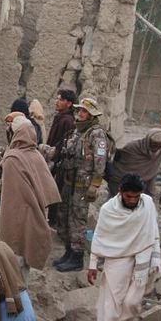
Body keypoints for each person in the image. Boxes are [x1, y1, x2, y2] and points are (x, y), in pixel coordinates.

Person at [87, 173, 161, 321]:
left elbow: (153, 231)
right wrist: (93, 265)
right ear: (120, 193)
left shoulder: (148, 204)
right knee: (110, 301)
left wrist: (156, 258)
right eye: (129, 196)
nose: (133, 200)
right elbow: (99, 237)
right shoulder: (108, 210)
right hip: (116, 258)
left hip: (141, 258)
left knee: (132, 302)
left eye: (136, 196)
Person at [0, 116, 61, 273]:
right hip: (36, 215)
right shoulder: (36, 155)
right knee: (24, 263)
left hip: (16, 218)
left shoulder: (12, 158)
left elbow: (10, 200)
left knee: (12, 265)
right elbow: (47, 190)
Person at [53, 98, 110, 272]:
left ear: (92, 114)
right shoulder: (78, 131)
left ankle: (77, 257)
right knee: (65, 216)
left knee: (78, 219)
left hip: (83, 186)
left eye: (84, 111)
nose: (80, 114)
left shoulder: (97, 134)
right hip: (69, 183)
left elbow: (100, 163)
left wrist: (94, 186)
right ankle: (69, 251)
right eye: (79, 111)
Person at [45, 88, 78, 227]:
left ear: (69, 103)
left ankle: (55, 223)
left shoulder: (67, 121)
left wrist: (54, 157)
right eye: (57, 98)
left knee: (56, 193)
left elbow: (63, 144)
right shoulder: (60, 117)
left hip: (59, 165)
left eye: (61, 99)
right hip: (53, 161)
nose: (56, 101)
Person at [106, 128, 161, 196]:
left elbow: (154, 168)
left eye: (160, 146)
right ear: (148, 140)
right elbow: (119, 161)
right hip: (121, 180)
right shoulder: (133, 146)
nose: (156, 148)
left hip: (141, 183)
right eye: (154, 145)